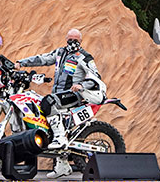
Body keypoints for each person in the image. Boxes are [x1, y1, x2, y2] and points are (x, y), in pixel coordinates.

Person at [16, 28, 105, 178]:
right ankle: (62, 165)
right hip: (59, 96)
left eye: (75, 40)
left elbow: (96, 77)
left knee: (48, 102)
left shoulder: (84, 57)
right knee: (44, 113)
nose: (72, 42)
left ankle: (60, 138)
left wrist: (82, 86)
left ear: (81, 41)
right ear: (66, 39)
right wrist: (21, 63)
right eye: (70, 39)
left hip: (73, 95)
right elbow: (42, 59)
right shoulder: (59, 53)